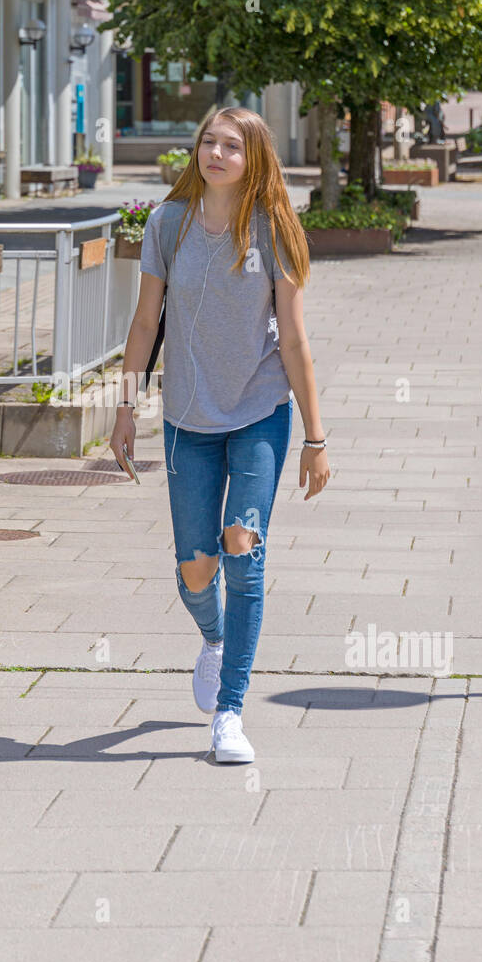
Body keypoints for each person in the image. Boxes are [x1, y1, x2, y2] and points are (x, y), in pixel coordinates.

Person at [109, 105, 330, 764]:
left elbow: (292, 338)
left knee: (244, 544)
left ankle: (230, 715)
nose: (216, 152)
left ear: (254, 158)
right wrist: (125, 411)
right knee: (195, 569)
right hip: (186, 418)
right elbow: (146, 324)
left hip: (260, 409)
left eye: (232, 146)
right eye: (209, 141)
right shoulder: (168, 224)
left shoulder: (274, 230)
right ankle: (213, 640)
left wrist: (316, 439)